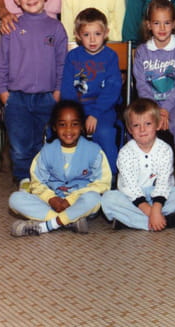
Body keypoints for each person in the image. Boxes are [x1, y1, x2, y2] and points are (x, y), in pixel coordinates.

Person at [0, 0, 68, 185]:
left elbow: (63, 63)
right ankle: (24, 181)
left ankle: (46, 181)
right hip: (17, 98)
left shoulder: (56, 28)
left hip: (47, 97)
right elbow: (1, 63)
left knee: (46, 143)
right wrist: (4, 93)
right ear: (16, 0)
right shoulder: (11, 27)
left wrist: (57, 92)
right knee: (20, 145)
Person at [8, 100, 111, 237]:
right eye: (62, 124)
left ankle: (48, 225)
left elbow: (103, 183)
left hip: (79, 203)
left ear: (82, 126)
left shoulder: (94, 151)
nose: (68, 130)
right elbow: (37, 182)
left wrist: (71, 199)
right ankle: (69, 221)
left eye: (74, 124)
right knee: (15, 199)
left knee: (94, 198)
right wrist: (50, 198)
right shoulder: (46, 152)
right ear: (55, 127)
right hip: (52, 203)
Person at [101, 98, 175, 231]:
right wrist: (150, 211)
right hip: (134, 198)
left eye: (148, 124)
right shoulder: (125, 153)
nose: (142, 129)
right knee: (108, 198)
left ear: (158, 125)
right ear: (130, 129)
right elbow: (130, 188)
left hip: (160, 196)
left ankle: (131, 221)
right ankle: (162, 221)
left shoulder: (165, 150)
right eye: (136, 125)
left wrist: (156, 208)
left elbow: (163, 183)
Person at [133, 0, 175, 185]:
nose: (162, 28)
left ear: (174, 23)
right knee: (140, 123)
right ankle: (145, 176)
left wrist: (165, 108)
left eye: (167, 22)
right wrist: (156, 109)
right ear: (148, 25)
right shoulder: (142, 52)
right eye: (156, 23)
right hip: (149, 103)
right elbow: (141, 85)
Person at [60, 8, 122, 174]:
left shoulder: (110, 57)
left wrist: (95, 114)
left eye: (97, 34)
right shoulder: (72, 57)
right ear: (78, 36)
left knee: (105, 133)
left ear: (106, 33)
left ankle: (110, 177)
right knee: (65, 131)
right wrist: (76, 115)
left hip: (103, 109)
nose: (92, 39)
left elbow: (112, 89)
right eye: (87, 34)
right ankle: (71, 175)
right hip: (77, 109)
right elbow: (67, 89)